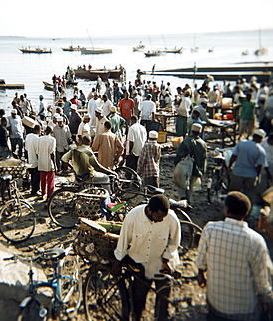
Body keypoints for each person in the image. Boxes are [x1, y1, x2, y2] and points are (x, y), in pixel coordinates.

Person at [196, 191, 273, 320]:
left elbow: (200, 263)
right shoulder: (256, 240)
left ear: (226, 209)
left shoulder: (210, 229)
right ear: (246, 213)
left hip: (216, 303)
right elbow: (262, 284)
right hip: (244, 310)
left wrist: (201, 276)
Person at [112, 194, 181, 321]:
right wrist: (117, 262)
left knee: (163, 300)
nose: (161, 220)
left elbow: (174, 242)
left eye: (163, 217)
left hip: (162, 264)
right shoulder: (133, 217)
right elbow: (123, 241)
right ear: (150, 211)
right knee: (138, 299)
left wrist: (166, 259)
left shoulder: (171, 218)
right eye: (159, 217)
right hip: (141, 263)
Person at [228, 129, 267, 204]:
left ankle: (230, 209)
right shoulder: (261, 150)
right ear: (261, 139)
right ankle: (246, 212)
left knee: (233, 193)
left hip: (238, 172)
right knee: (249, 195)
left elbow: (233, 156)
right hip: (251, 175)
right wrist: (258, 176)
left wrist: (229, 167)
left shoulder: (241, 143)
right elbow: (260, 166)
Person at [174, 123, 207, 202]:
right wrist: (202, 170)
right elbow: (204, 158)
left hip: (184, 167)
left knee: (181, 183)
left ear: (191, 131)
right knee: (191, 185)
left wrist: (176, 164)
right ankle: (188, 200)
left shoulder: (186, 141)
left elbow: (179, 154)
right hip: (196, 168)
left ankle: (183, 198)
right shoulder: (203, 144)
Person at [36, 126, 56, 200]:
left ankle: (43, 193)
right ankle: (49, 196)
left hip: (41, 161)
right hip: (49, 162)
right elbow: (52, 153)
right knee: (50, 180)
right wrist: (55, 164)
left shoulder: (39, 139)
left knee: (43, 179)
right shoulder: (52, 140)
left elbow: (37, 152)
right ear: (51, 132)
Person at [25, 124, 41, 195]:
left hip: (29, 159)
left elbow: (26, 148)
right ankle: (34, 191)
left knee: (32, 175)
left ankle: (32, 188)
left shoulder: (28, 136)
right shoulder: (37, 138)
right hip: (35, 161)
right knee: (36, 177)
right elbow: (38, 151)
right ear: (39, 131)